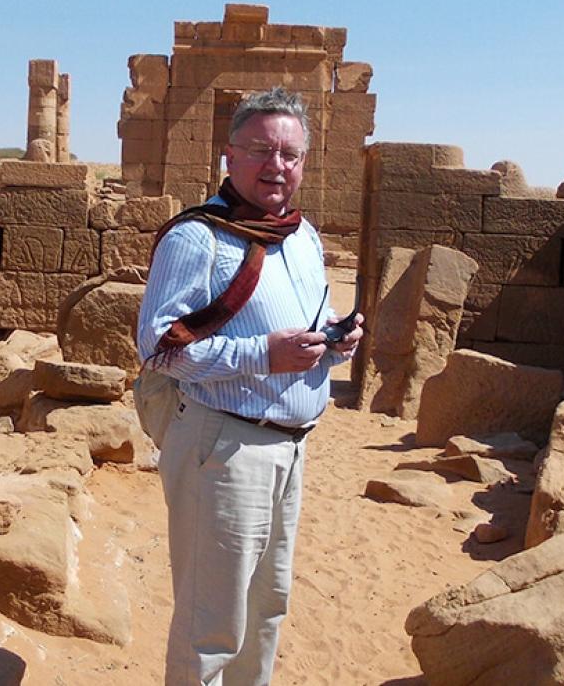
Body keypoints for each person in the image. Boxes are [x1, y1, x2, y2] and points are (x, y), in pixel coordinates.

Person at [137, 87, 364, 685]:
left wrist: (334, 345)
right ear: (229, 156)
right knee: (210, 625)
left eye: (290, 154)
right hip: (224, 447)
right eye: (261, 149)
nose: (276, 166)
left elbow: (303, 331)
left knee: (267, 609)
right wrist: (266, 354)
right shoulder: (198, 238)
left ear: (305, 163)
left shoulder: (303, 236)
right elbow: (159, 349)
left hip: (291, 446)